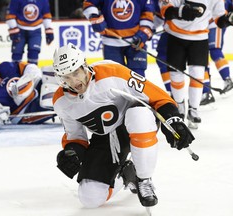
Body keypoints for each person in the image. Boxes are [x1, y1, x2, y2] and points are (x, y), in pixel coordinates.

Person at [53, 43, 195, 209]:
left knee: (138, 116)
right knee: (89, 198)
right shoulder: (61, 102)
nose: (73, 81)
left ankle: (144, 179)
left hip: (136, 122)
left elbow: (157, 96)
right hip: (106, 138)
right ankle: (128, 175)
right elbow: (75, 136)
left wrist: (173, 120)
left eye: (76, 72)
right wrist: (72, 153)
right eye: (66, 77)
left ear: (84, 65)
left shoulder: (113, 73)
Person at [159, 0, 233, 129]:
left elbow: (219, 20)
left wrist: (228, 19)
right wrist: (180, 12)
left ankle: (193, 109)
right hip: (175, 36)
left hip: (200, 39)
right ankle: (179, 105)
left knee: (198, 75)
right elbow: (166, 10)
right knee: (176, 75)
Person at [0, 61, 58, 129]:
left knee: (48, 72)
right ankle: (66, 106)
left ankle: (69, 88)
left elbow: (24, 66)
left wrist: (31, 72)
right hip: (24, 112)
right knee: (48, 100)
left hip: (34, 89)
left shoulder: (4, 67)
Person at [82, 0, 155, 77]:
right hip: (111, 43)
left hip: (136, 42)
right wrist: (93, 16)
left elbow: (147, 12)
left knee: (138, 77)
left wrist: (143, 34)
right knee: (115, 77)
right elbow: (89, 2)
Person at [200, 0, 233, 105]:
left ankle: (227, 79)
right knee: (200, 57)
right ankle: (206, 90)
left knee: (214, 50)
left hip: (216, 22)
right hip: (200, 25)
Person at [5, 0, 54, 65]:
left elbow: (46, 15)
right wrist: (14, 30)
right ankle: (15, 73)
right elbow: (10, 15)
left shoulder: (43, 1)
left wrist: (48, 30)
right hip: (20, 30)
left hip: (36, 31)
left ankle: (32, 74)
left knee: (34, 53)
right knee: (17, 54)